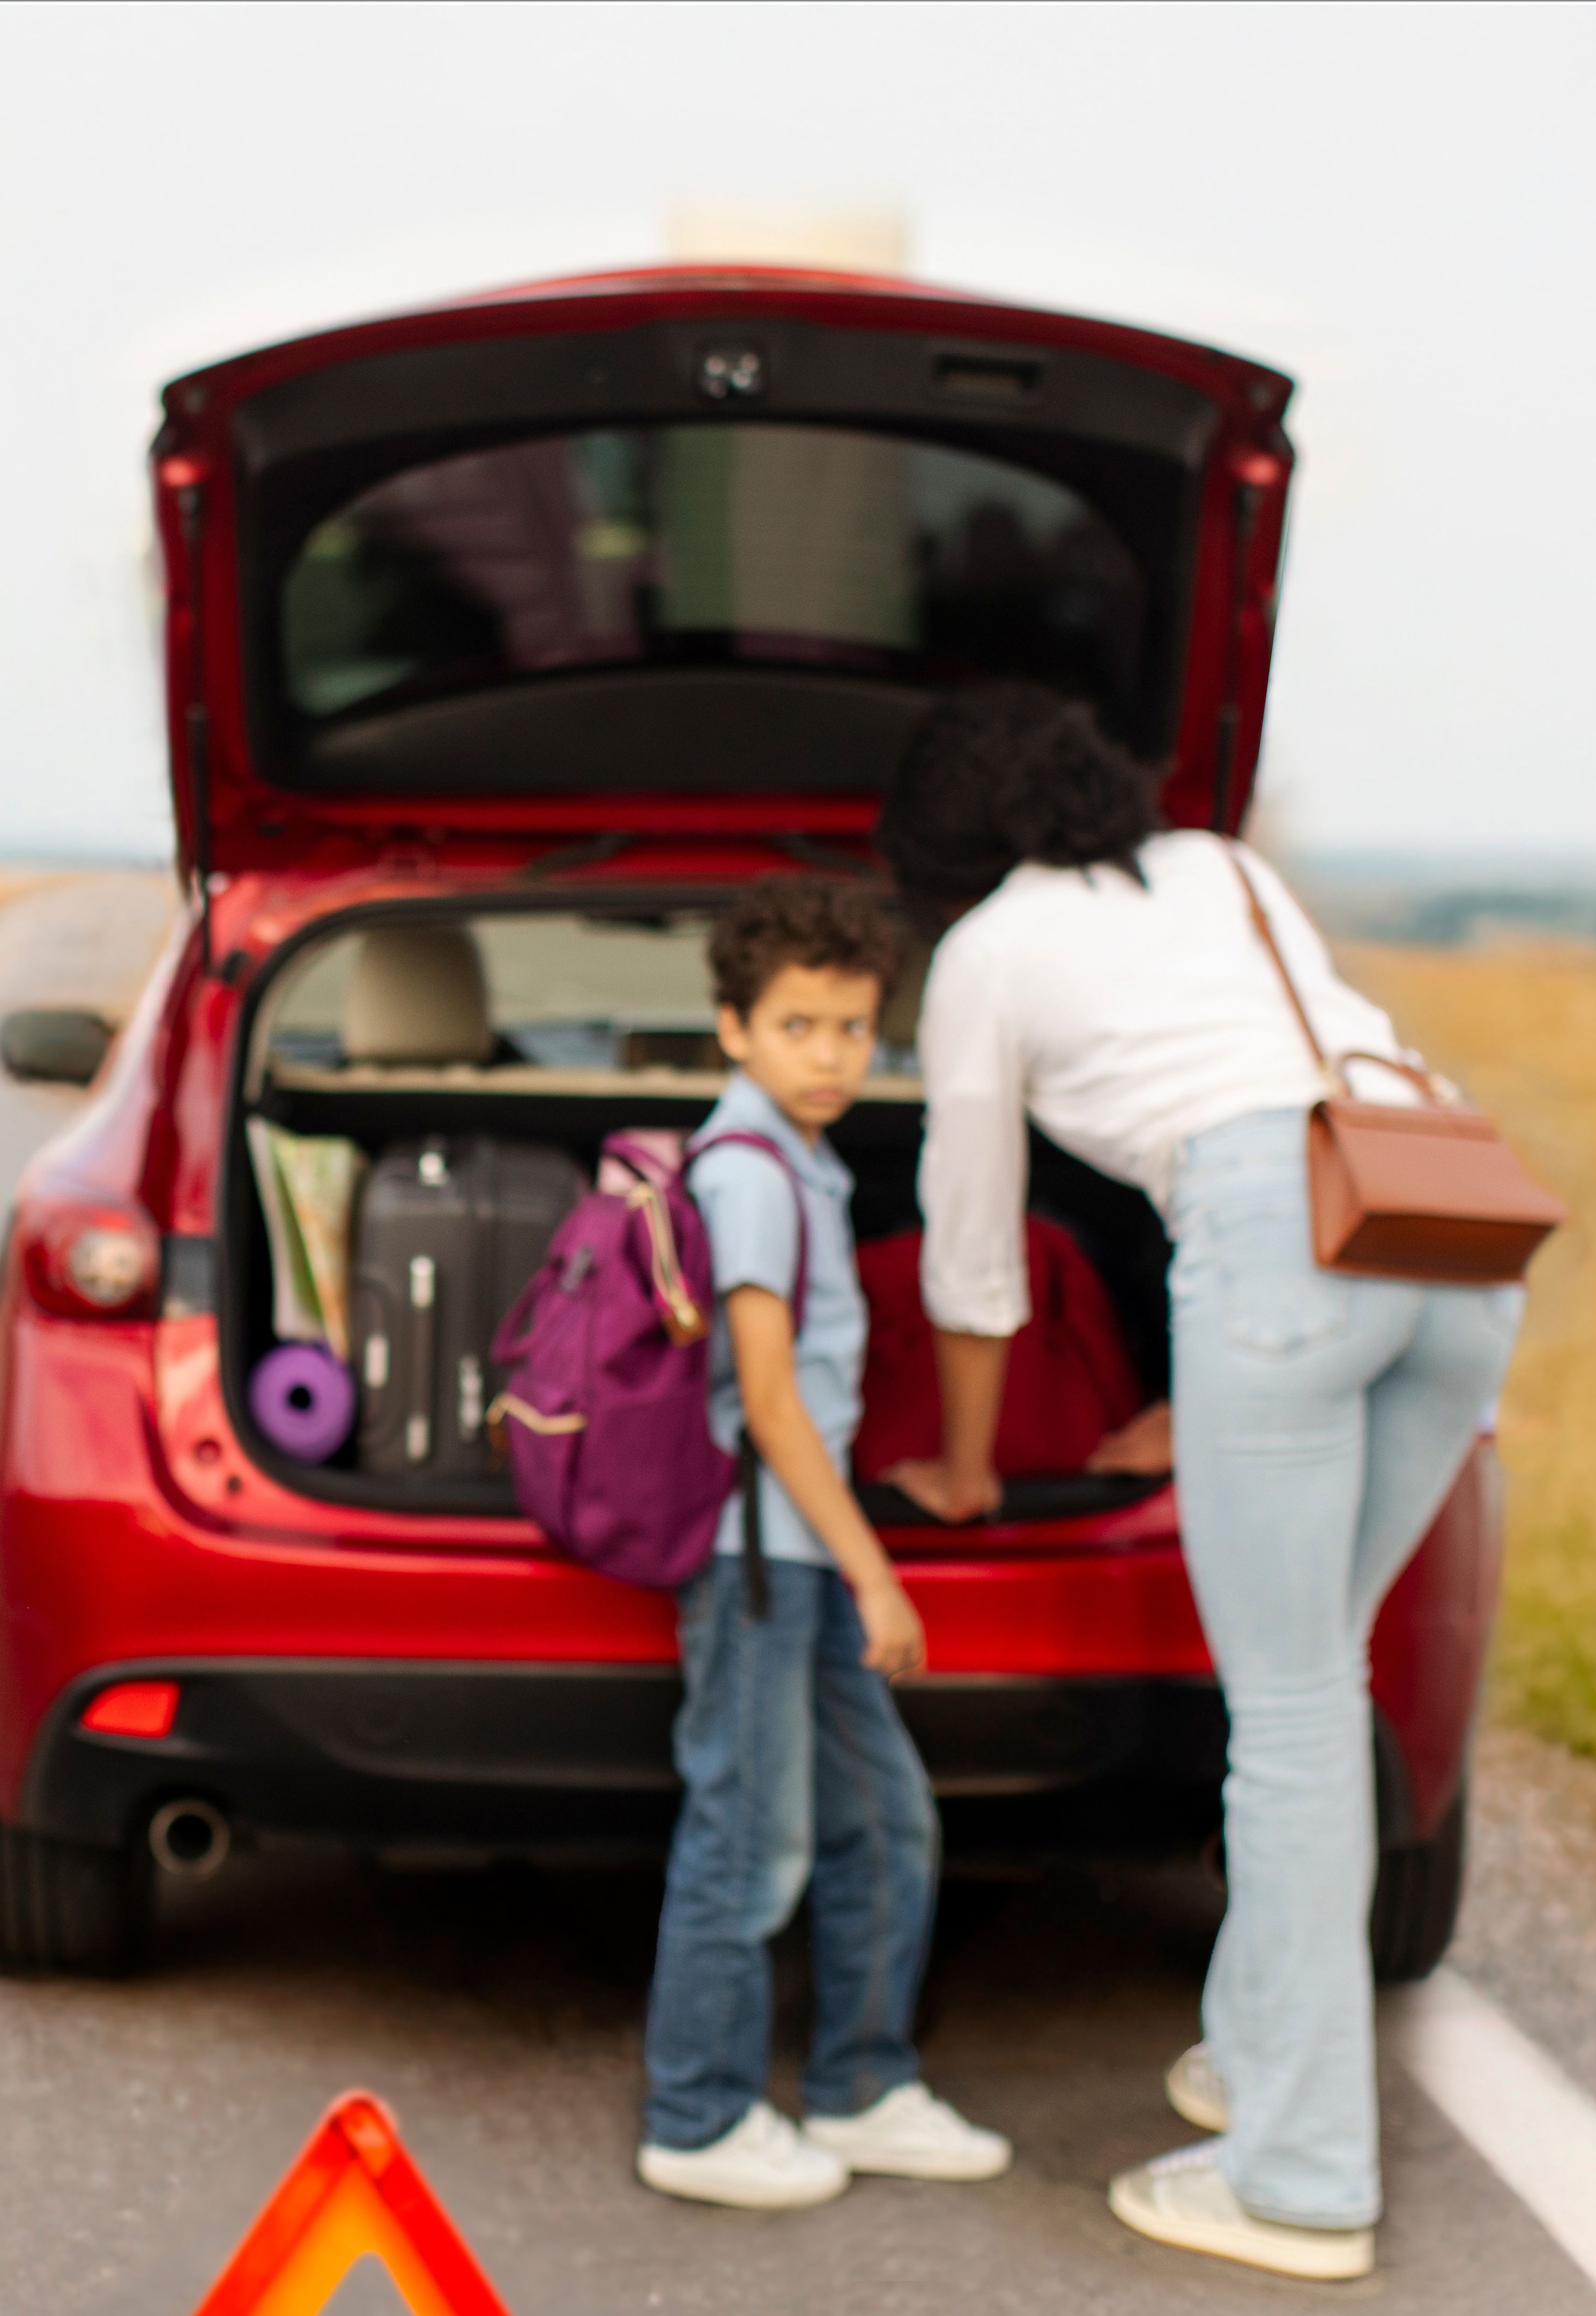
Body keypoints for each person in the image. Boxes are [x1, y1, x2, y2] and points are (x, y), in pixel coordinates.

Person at [878, 685, 1521, 2282]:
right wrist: (1217, 1391)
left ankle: (1300, 2182)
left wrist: (965, 1464)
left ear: (943, 841)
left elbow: (972, 1253)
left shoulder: (986, 954)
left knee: (1290, 1717)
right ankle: (1255, 2055)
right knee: (1314, 1685)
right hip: (1448, 1230)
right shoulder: (1222, 869)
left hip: (1277, 1248)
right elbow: (1296, 1076)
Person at [635, 877, 1015, 2209]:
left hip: (794, 1551)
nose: (834, 1055)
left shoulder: (802, 1158)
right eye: (799, 1025)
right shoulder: (747, 1174)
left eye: (855, 1028)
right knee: (751, 1837)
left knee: (883, 1819)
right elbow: (770, 1399)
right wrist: (875, 1570)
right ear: (733, 1028)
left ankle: (860, 2086)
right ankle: (696, 2115)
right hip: (764, 1559)